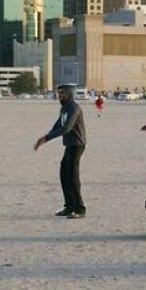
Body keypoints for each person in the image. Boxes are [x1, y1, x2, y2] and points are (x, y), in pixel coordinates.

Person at [35, 85, 87, 217]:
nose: (60, 96)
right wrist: (45, 137)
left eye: (63, 93)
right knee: (64, 175)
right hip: (69, 145)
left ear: (69, 94)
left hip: (77, 145)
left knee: (73, 177)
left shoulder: (74, 108)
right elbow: (58, 125)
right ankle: (69, 206)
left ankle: (80, 209)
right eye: (59, 94)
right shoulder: (64, 108)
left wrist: (47, 138)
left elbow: (66, 128)